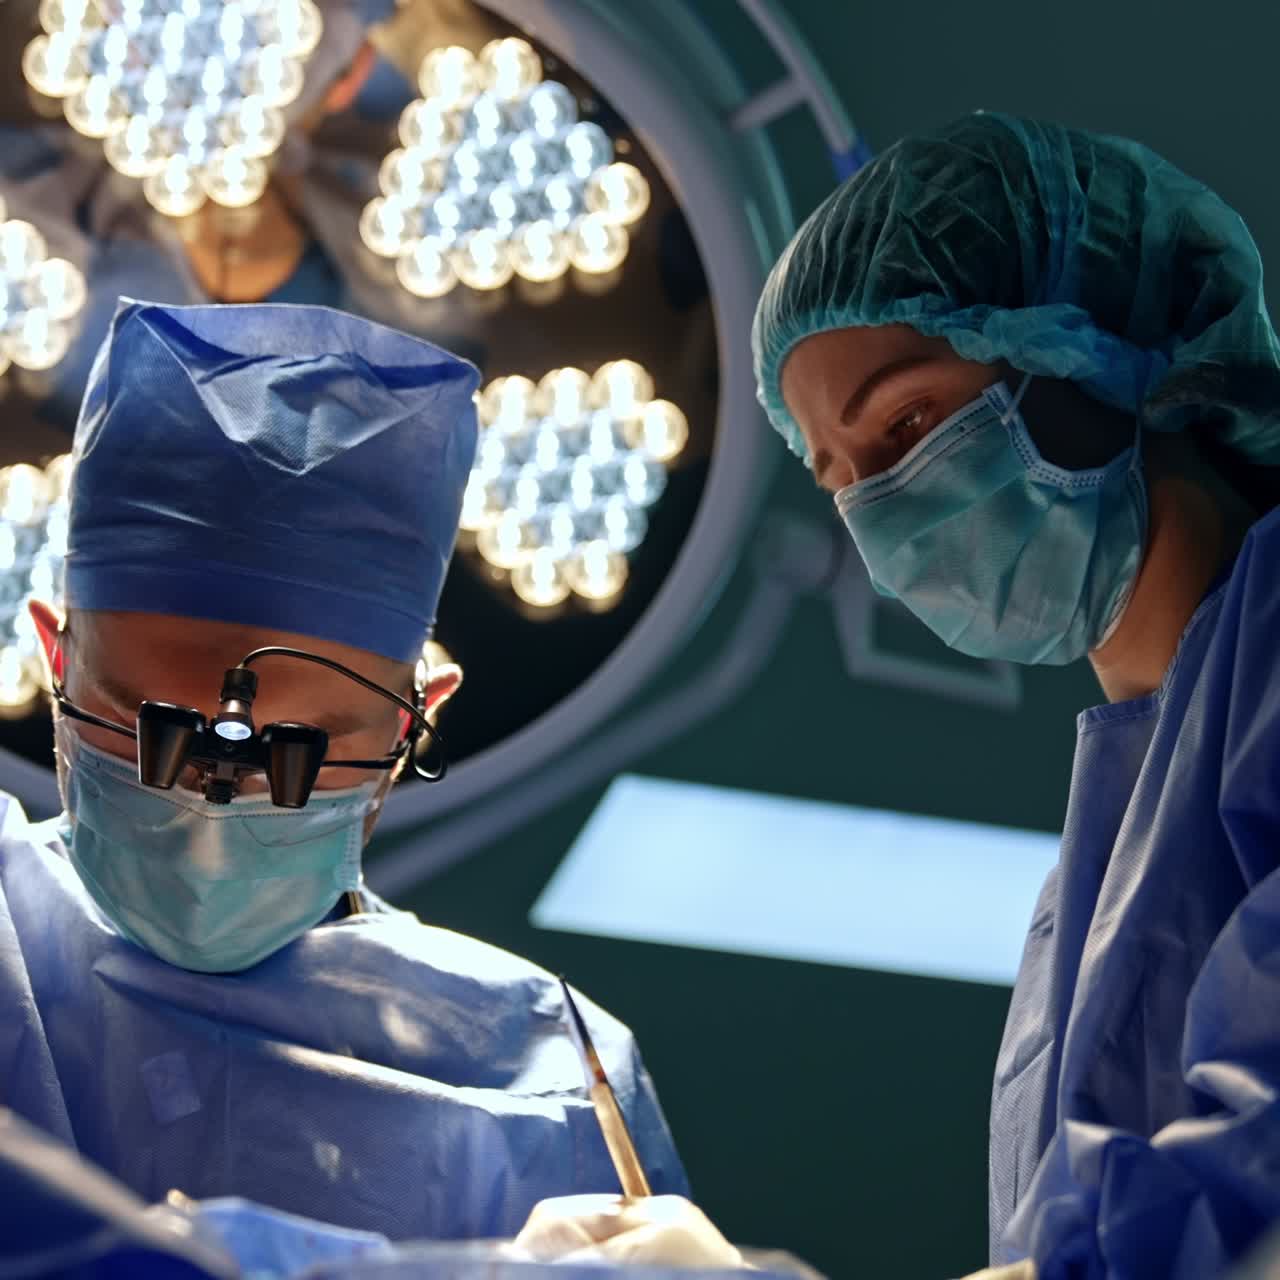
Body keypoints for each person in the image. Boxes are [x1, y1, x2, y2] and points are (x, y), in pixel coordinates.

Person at [515, 112, 1280, 1278]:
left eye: (908, 422)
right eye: (838, 476)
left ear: (1094, 353)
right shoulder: (1109, 845)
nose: (880, 510)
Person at [0, 297, 687, 1245]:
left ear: (412, 723)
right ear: (54, 658)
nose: (209, 813)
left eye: (298, 756)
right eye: (147, 730)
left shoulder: (542, 1086)